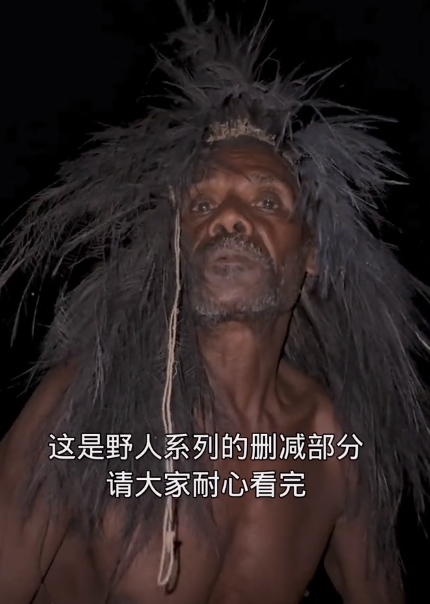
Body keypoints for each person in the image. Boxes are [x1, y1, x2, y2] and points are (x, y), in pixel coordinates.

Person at [0, 4, 429, 603]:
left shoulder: (331, 443)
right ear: (176, 246)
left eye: (267, 202)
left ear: (309, 253)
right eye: (202, 205)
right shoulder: (84, 412)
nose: (229, 218)